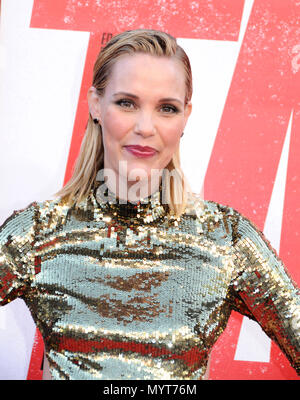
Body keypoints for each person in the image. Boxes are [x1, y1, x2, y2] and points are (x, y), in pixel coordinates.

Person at [0, 29, 299, 380]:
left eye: (166, 108)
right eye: (127, 103)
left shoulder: (224, 239)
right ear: (95, 104)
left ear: (185, 116)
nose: (145, 127)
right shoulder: (37, 234)